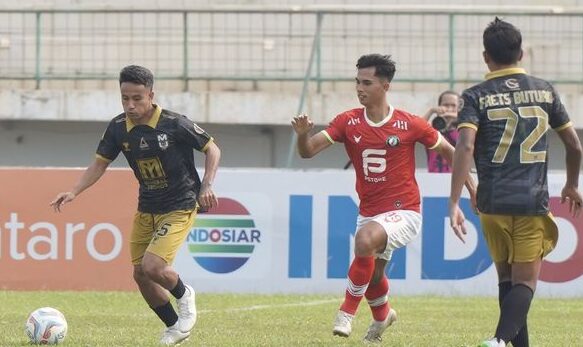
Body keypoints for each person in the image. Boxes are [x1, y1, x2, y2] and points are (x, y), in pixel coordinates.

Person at [292, 53, 476, 343]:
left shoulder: (410, 124)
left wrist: (472, 189)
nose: (359, 88)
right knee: (372, 275)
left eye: (367, 82)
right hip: (370, 211)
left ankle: (345, 313)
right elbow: (307, 151)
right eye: (357, 82)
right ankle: (383, 316)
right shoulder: (347, 121)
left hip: (406, 211)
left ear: (385, 86)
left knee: (364, 241)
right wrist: (303, 135)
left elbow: (452, 154)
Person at [50, 65, 221, 346]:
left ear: (151, 95)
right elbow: (100, 164)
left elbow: (212, 148)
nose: (130, 105)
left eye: (137, 99)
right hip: (147, 207)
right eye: (125, 98)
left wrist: (207, 185)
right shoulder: (118, 128)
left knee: (154, 266)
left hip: (180, 204)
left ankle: (185, 294)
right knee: (141, 274)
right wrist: (74, 191)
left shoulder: (174, 123)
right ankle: (174, 327)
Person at [449, 18, 582, 347]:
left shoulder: (474, 96)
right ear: (521, 53)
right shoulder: (544, 90)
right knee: (525, 283)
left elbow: (464, 146)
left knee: (507, 281)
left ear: (485, 57)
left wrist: (453, 201)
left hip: (491, 202)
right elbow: (574, 145)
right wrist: (570, 184)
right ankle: (498, 341)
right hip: (530, 200)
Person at [422, 90, 461, 172]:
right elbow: (415, 128)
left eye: (453, 106)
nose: (449, 109)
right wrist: (431, 111)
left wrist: (457, 116)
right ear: (439, 107)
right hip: (434, 179)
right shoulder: (432, 130)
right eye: (446, 105)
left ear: (459, 108)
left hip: (458, 179)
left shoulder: (464, 130)